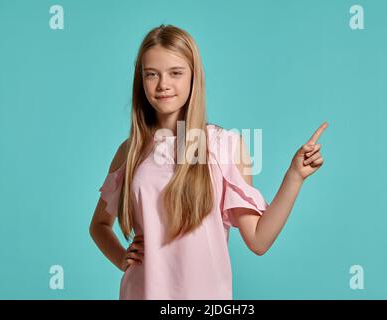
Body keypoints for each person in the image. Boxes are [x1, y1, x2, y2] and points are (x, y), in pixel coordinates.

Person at [89, 24, 328, 300]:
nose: (163, 84)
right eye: (151, 74)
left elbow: (259, 240)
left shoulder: (224, 145)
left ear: (193, 77)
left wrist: (294, 177)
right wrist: (121, 258)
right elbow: (99, 225)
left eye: (175, 73)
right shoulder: (130, 151)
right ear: (141, 81)